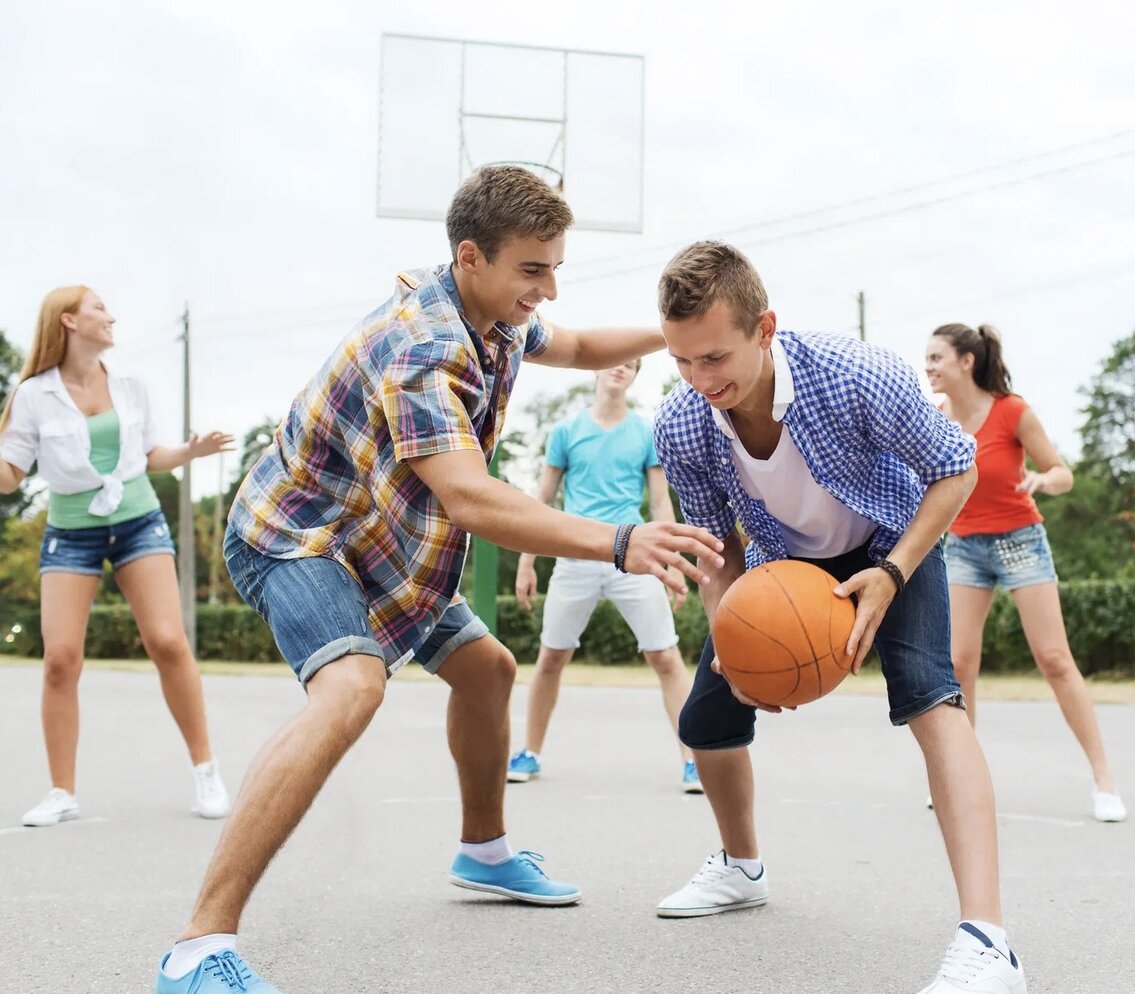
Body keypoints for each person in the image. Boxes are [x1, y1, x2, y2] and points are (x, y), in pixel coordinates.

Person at [153, 166, 724, 994]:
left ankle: (483, 851)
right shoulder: (426, 345)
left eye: (556, 266)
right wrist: (619, 539)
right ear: (471, 257)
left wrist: (675, 339)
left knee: (488, 670)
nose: (549, 287)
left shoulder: (492, 314)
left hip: (386, 545)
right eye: (534, 269)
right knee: (351, 690)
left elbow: (577, 346)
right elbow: (467, 495)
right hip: (300, 537)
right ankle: (197, 947)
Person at [652, 242, 1028, 994]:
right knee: (705, 721)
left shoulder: (856, 375)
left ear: (766, 328)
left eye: (716, 357)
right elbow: (718, 548)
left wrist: (892, 573)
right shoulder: (684, 424)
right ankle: (740, 866)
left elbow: (956, 468)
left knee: (933, 697)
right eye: (683, 363)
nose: (701, 381)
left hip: (893, 541)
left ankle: (988, 943)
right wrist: (729, 633)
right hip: (784, 564)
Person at [0, 286, 233, 828]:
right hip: (71, 531)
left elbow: (152, 456)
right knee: (61, 660)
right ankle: (62, 791)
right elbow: (11, 473)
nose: (111, 316)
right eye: (99, 309)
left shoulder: (130, 386)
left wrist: (189, 452)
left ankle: (206, 771)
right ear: (69, 321)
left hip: (137, 522)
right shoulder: (33, 394)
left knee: (169, 642)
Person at [925, 323, 1124, 823]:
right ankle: (960, 779)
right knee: (959, 663)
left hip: (1020, 541)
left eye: (936, 358)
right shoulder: (940, 418)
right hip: (964, 547)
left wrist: (1043, 479)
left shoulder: (1013, 411)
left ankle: (1104, 780)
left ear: (966, 362)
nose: (927, 367)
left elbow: (1063, 472)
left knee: (1054, 658)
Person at [509, 359, 702, 793]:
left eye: (631, 365)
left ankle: (694, 760)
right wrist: (526, 561)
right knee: (551, 659)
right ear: (597, 369)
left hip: (634, 554)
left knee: (666, 659)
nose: (621, 368)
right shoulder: (565, 433)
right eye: (614, 361)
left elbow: (659, 503)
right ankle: (530, 752)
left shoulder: (645, 433)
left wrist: (670, 562)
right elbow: (541, 503)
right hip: (575, 554)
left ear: (634, 376)